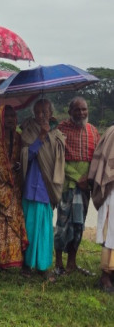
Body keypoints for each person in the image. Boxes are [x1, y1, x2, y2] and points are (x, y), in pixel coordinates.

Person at [20, 99, 65, 280]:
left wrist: (48, 136)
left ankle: (44, 267)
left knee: (45, 230)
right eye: (38, 112)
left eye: (44, 112)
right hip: (30, 187)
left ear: (50, 112)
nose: (41, 115)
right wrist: (40, 138)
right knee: (28, 229)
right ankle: (26, 266)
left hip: (47, 188)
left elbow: (59, 161)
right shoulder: (29, 130)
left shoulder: (57, 134)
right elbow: (26, 156)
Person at [54, 97, 100, 276]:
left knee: (79, 225)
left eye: (84, 109)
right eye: (77, 110)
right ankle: (58, 264)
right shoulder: (61, 130)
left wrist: (89, 178)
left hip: (85, 187)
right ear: (69, 112)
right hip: (67, 185)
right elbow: (57, 159)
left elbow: (97, 159)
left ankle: (72, 263)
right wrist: (76, 176)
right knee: (62, 224)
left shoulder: (93, 131)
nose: (81, 113)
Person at [0, 105, 27, 270]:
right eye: (6, 116)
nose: (10, 119)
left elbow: (21, 160)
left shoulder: (19, 138)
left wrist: (16, 166)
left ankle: (13, 260)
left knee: (12, 225)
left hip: (13, 188)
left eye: (13, 116)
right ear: (0, 118)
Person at [90, 123, 114, 293]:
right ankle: (105, 276)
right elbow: (108, 166)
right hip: (112, 191)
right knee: (111, 232)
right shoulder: (112, 132)